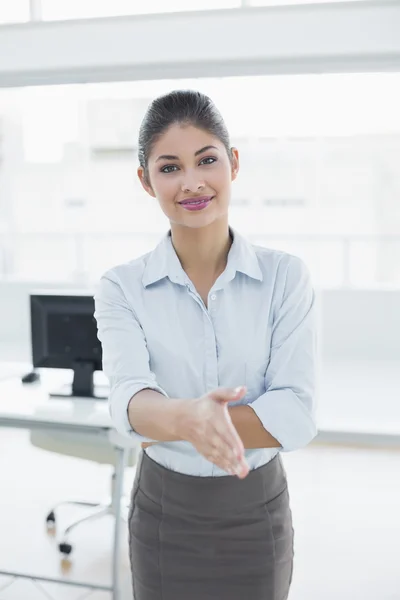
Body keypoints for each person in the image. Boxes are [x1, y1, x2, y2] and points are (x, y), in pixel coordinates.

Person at [94, 89, 317, 600]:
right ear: (146, 180)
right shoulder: (121, 287)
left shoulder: (284, 277)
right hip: (164, 513)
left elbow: (297, 414)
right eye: (169, 167)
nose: (192, 182)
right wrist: (173, 417)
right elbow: (127, 399)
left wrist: (172, 420)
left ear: (233, 164)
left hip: (255, 511)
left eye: (207, 160)